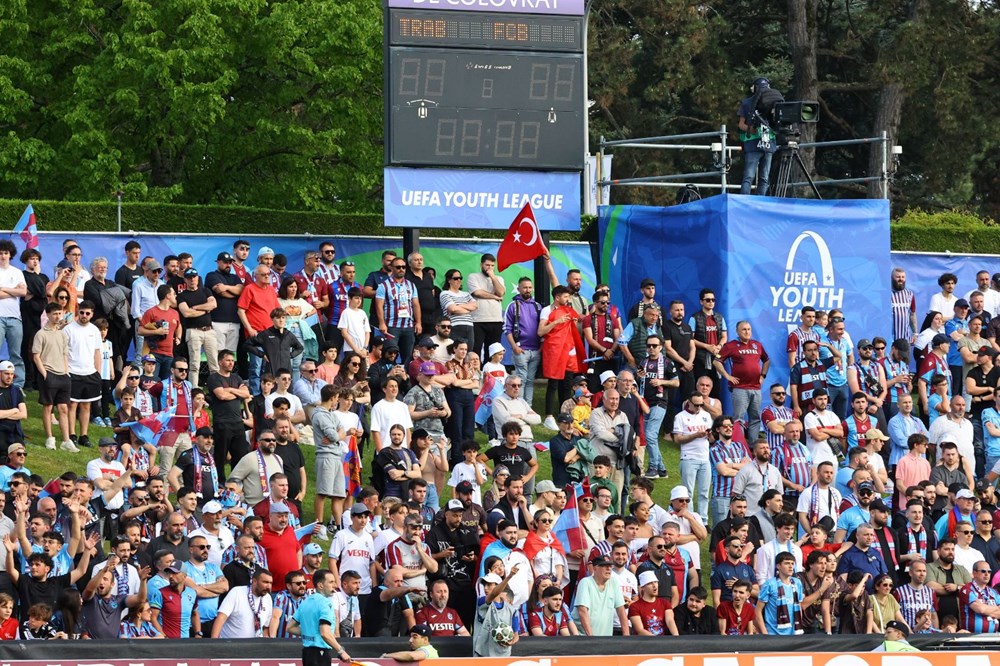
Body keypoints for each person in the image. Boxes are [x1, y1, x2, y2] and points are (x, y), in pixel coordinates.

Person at [715, 321, 768, 442]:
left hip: (756, 388)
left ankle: (753, 445)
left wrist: (763, 375)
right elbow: (716, 361)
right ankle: (739, 444)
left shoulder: (757, 345)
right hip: (740, 388)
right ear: (737, 332)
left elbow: (767, 360)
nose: (747, 332)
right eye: (744, 329)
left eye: (749, 329)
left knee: (755, 418)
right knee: (738, 419)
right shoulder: (731, 345)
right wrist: (727, 376)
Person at [287, 568, 352, 666]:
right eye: (331, 582)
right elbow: (325, 633)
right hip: (321, 654)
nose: (335, 585)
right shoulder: (326, 604)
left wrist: (311, 633)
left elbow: (290, 628)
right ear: (320, 585)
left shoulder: (305, 602)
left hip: (307, 654)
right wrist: (341, 651)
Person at [504, 277, 542, 407]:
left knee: (530, 380)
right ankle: (518, 407)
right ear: (519, 289)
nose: (528, 290)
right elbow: (507, 329)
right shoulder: (513, 306)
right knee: (521, 380)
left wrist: (541, 347)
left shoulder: (537, 306)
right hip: (521, 349)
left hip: (535, 350)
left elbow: (543, 327)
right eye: (525, 287)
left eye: (530, 287)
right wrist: (514, 347)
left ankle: (528, 407)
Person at [176, 268, 218, 387]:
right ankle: (193, 390)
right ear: (185, 280)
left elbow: (214, 304)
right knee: (194, 365)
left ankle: (216, 389)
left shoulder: (205, 291)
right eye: (189, 278)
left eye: (194, 277)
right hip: (193, 331)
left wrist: (195, 307)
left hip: (209, 330)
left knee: (214, 364)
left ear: (198, 278)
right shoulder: (182, 296)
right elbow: (186, 313)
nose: (192, 279)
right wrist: (205, 310)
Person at [737, 77, 778, 195]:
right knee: (749, 176)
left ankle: (760, 201)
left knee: (764, 177)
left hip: (768, 143)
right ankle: (745, 200)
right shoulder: (747, 103)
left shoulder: (773, 102)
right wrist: (751, 129)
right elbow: (741, 125)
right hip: (753, 144)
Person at [754, 551, 804, 634]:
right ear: (778, 566)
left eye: (792, 563)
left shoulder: (797, 583)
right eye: (787, 563)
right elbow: (758, 611)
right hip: (773, 633)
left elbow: (799, 607)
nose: (791, 566)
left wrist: (798, 628)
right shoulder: (769, 584)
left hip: (793, 634)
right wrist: (764, 633)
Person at [466, 253, 505, 359]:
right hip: (478, 320)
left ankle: (489, 369)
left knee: (493, 352)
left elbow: (501, 292)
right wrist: (495, 297)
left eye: (492, 266)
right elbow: (477, 293)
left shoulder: (499, 279)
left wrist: (493, 276)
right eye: (487, 265)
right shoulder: (473, 277)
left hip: (496, 320)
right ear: (481, 264)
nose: (490, 268)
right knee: (476, 349)